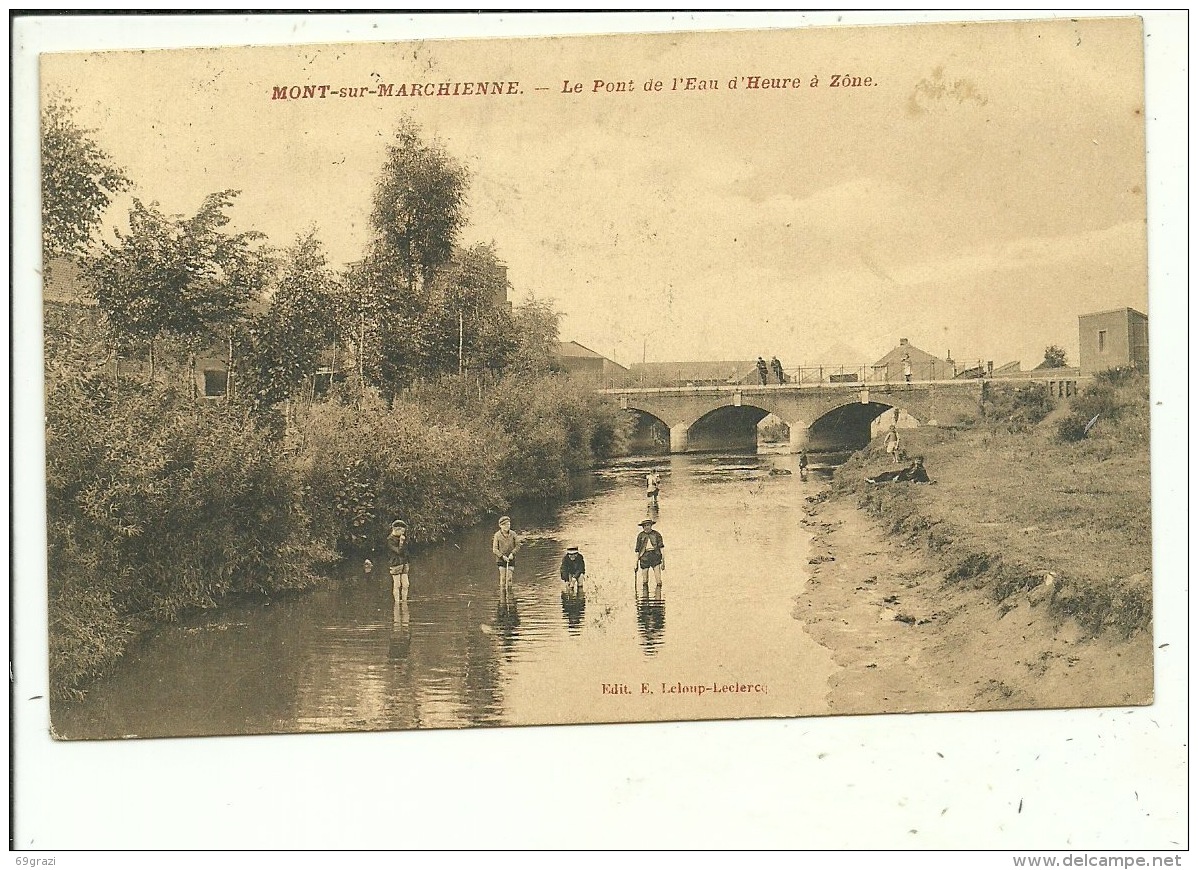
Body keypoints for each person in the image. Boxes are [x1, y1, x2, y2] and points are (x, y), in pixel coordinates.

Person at [634, 518, 665, 590]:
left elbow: (661, 548)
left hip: (655, 556)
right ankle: (645, 599)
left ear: (651, 525)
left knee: (659, 581)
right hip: (644, 557)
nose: (646, 527)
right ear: (643, 527)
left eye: (648, 525)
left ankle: (658, 598)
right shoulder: (640, 536)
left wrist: (663, 561)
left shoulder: (657, 534)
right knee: (645, 581)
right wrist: (636, 564)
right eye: (644, 526)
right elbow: (637, 551)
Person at [492, 515, 520, 587]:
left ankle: (510, 595)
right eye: (505, 525)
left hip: (511, 558)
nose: (507, 526)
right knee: (503, 578)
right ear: (500, 526)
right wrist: (502, 556)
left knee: (509, 578)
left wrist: (512, 554)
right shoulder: (497, 535)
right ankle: (502, 595)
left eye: (509, 524)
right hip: (501, 560)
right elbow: (495, 549)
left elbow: (518, 545)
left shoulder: (513, 534)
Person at [386, 519, 410, 602]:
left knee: (406, 584)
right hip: (395, 563)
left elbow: (405, 551)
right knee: (397, 584)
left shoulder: (402, 538)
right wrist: (401, 542)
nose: (402, 533)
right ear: (396, 530)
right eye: (401, 531)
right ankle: (397, 602)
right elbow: (398, 551)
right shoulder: (390, 540)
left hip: (404, 563)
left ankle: (404, 601)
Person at [867, 457, 933, 485]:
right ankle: (873, 479)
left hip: (902, 476)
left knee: (888, 476)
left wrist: (928, 482)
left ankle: (873, 481)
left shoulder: (920, 469)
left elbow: (924, 477)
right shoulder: (914, 466)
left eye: (919, 461)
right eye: (916, 460)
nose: (917, 462)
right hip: (901, 473)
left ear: (921, 462)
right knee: (886, 474)